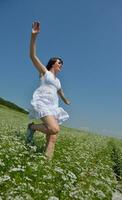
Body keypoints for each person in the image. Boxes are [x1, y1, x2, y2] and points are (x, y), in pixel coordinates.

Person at [26, 21, 70, 160]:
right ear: (52, 64)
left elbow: (60, 91)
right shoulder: (45, 72)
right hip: (43, 103)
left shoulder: (58, 81)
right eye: (59, 63)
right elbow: (32, 56)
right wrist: (34, 37)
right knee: (54, 129)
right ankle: (32, 127)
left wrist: (65, 100)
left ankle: (46, 167)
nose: (61, 65)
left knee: (52, 138)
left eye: (62, 64)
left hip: (53, 106)